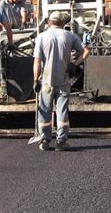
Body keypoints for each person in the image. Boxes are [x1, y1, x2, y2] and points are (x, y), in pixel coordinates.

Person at [33, 11, 90, 151]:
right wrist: (74, 64)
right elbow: (86, 51)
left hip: (46, 81)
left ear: (49, 22)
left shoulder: (41, 37)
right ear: (63, 23)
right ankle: (61, 141)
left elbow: (37, 61)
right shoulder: (69, 36)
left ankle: (45, 139)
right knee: (62, 111)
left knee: (45, 110)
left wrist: (35, 79)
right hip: (63, 80)